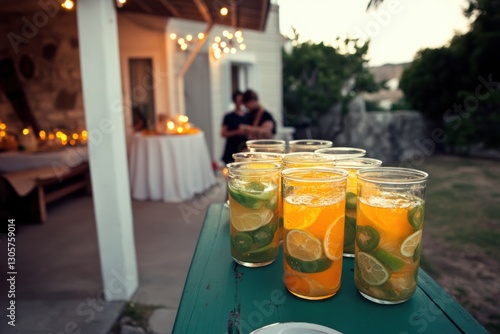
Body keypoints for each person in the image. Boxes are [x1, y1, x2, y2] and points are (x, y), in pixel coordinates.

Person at [220, 90, 248, 165]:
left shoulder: (248, 115)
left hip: (244, 146)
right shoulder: (228, 116)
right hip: (231, 147)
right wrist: (237, 132)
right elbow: (223, 133)